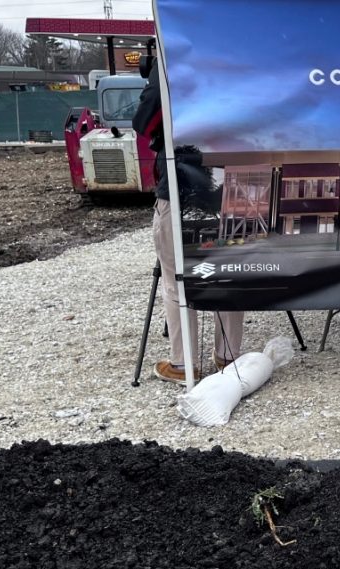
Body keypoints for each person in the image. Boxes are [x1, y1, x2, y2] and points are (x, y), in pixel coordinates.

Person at [132, 54, 244, 384]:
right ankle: (229, 358)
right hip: (231, 182)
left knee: (177, 277)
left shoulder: (173, 51)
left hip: (182, 185)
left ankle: (184, 364)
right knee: (229, 271)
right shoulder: (238, 58)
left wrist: (156, 73)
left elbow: (146, 119)